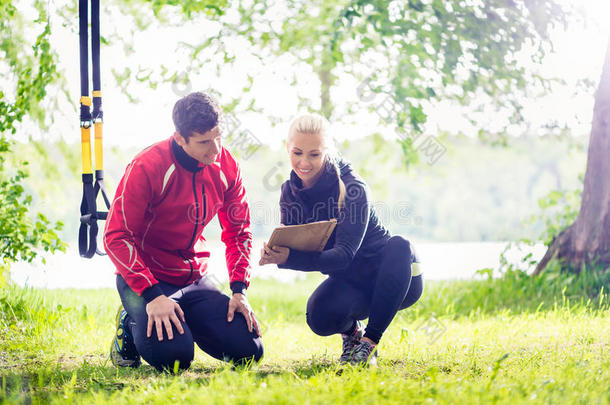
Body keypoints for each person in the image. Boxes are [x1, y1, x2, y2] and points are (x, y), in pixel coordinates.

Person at [104, 92, 263, 371]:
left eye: (218, 137)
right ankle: (131, 321)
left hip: (192, 278)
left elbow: (238, 232)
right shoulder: (147, 166)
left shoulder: (227, 166)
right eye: (204, 142)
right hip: (146, 280)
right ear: (180, 138)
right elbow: (116, 236)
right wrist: (152, 295)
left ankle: (184, 319)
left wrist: (239, 290)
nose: (215, 150)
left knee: (250, 350)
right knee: (174, 360)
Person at [259, 114, 423, 366]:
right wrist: (279, 252)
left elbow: (343, 254)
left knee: (400, 244)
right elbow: (301, 248)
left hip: (396, 278)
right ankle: (353, 335)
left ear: (328, 150)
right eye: (297, 152)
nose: (304, 162)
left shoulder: (354, 188)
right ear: (287, 148)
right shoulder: (288, 192)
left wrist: (291, 258)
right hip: (351, 281)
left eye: (314, 154)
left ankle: (369, 344)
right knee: (318, 316)